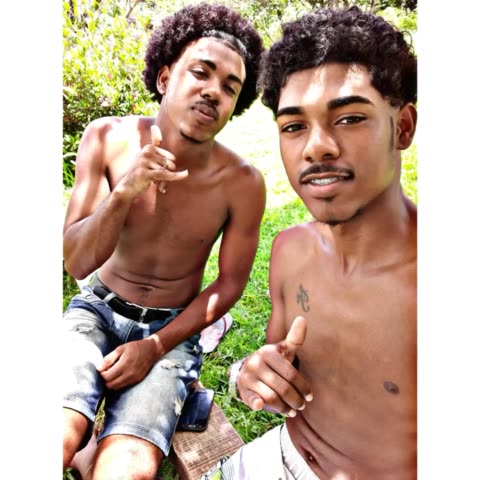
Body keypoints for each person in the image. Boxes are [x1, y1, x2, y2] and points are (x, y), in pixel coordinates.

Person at [204, 6, 417, 480]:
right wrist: (252, 374)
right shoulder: (289, 250)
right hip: (276, 454)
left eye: (350, 118)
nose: (316, 147)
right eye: (294, 126)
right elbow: (278, 359)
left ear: (402, 127)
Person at [62, 3, 265, 479]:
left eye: (230, 87)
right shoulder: (106, 138)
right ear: (165, 76)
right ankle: (83, 442)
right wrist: (125, 192)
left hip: (171, 331)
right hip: (96, 311)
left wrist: (155, 347)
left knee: (126, 468)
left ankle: (98, 449)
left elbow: (230, 283)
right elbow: (76, 262)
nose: (213, 91)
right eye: (201, 72)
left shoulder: (242, 183)